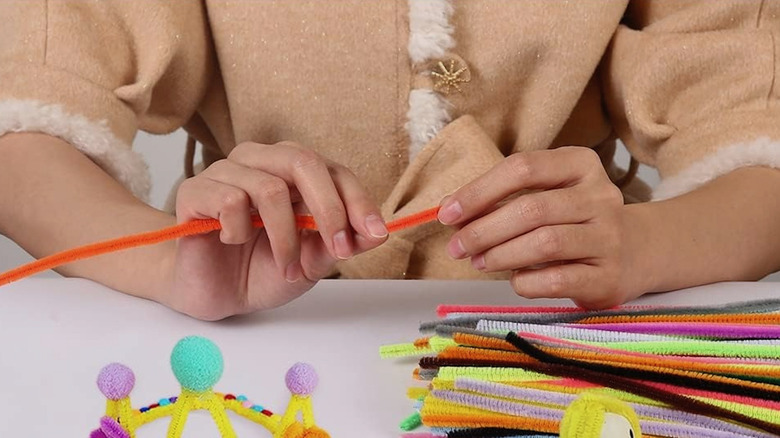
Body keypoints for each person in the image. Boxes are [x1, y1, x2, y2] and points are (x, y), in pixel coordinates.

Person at [1, 1, 778, 320]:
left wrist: (645, 246)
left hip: (564, 343)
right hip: (257, 337)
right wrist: (170, 267)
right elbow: (24, 123)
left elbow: (759, 136)